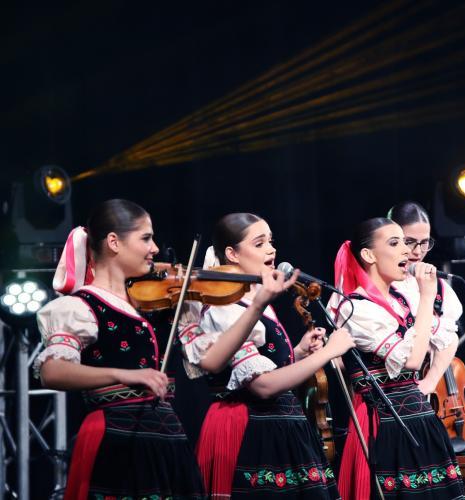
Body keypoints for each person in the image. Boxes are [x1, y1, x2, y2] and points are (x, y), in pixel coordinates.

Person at [35, 199, 205, 499]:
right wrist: (124, 374)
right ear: (114, 242)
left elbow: (210, 360)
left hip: (167, 441)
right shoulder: (79, 307)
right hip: (115, 438)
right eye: (146, 238)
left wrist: (256, 303)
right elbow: (52, 371)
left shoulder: (154, 304)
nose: (155, 249)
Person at [179, 212, 354, 499]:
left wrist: (298, 352)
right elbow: (262, 385)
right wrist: (328, 353)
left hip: (280, 425)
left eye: (271, 241)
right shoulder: (226, 307)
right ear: (232, 254)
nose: (271, 250)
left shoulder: (255, 298)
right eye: (259, 243)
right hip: (251, 427)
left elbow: (265, 366)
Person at [331, 217, 465, 499]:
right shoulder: (356, 308)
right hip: (383, 423)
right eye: (395, 243)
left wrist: (431, 381)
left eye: (405, 242)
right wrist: (427, 297)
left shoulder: (402, 300)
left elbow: (447, 336)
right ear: (368, 255)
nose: (407, 250)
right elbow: (412, 360)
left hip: (420, 418)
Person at [387, 201, 461, 397]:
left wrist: (430, 382)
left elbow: (449, 338)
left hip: (423, 396)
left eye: (425, 242)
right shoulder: (375, 284)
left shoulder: (438, 287)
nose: (418, 251)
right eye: (410, 241)